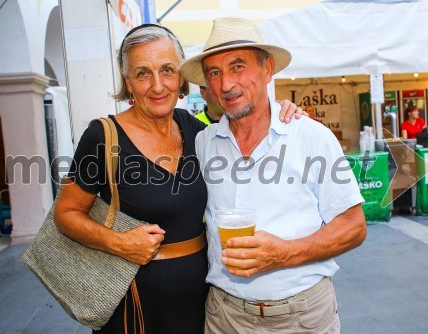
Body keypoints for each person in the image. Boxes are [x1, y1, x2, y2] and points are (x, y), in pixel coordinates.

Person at [54, 23, 304, 334]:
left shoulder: (199, 133)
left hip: (203, 302)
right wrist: (118, 242)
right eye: (143, 73)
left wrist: (287, 113)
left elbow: (251, 122)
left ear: (181, 78)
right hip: (133, 305)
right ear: (127, 82)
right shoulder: (103, 138)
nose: (158, 86)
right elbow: (65, 213)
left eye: (168, 70)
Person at [180, 17, 367, 334]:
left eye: (238, 66)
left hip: (301, 319)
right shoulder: (203, 143)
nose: (226, 84)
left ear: (267, 70)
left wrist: (286, 254)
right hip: (224, 318)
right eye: (215, 72)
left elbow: (354, 227)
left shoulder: (310, 137)